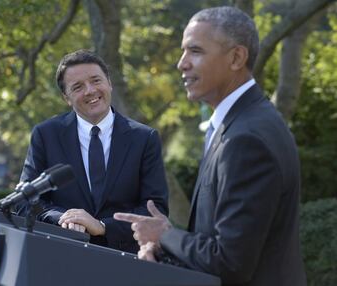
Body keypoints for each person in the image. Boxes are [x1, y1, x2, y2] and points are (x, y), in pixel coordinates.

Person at [114, 6, 306, 285]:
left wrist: (165, 235)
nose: (182, 63)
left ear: (236, 57)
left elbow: (231, 262)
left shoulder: (246, 139)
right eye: (183, 51)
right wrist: (165, 248)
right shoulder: (240, 123)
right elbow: (219, 245)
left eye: (195, 51)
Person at [17, 49, 169, 253]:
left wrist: (103, 227)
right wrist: (66, 218)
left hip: (126, 261)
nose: (90, 91)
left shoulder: (144, 138)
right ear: (66, 97)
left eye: (96, 81)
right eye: (78, 87)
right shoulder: (45, 135)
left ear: (109, 83)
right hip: (63, 256)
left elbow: (155, 210)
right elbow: (26, 201)